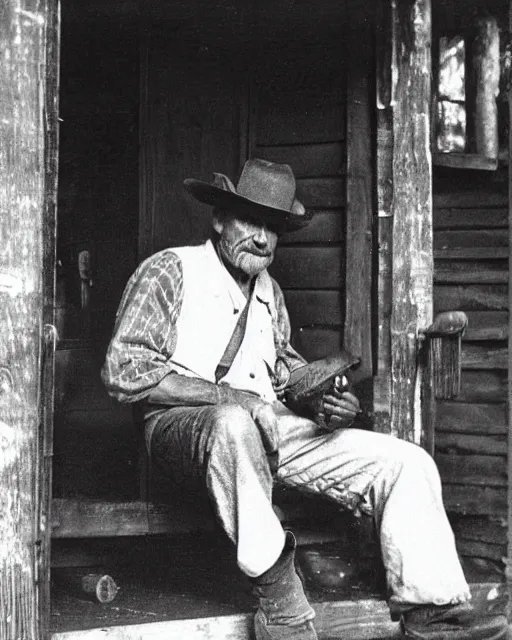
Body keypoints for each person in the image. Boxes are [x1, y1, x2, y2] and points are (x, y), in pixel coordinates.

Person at [102, 159, 506, 640]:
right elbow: (124, 372)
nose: (263, 239)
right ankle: (284, 609)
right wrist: (230, 398)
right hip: (182, 431)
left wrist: (327, 404)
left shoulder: (269, 292)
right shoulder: (171, 271)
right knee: (231, 420)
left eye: (273, 227)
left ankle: (433, 615)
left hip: (266, 430)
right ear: (219, 218)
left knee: (406, 462)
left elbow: (287, 374)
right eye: (252, 221)